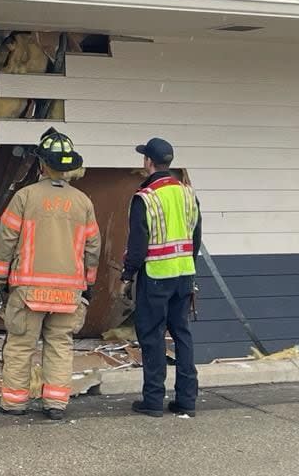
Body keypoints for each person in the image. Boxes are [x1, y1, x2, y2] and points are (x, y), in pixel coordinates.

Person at [0, 128, 101, 420]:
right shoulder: (83, 202)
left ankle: (14, 403)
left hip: (28, 290)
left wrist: (1, 280)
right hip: (69, 292)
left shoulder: (25, 197)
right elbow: (93, 247)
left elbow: (6, 241)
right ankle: (55, 405)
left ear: (41, 163)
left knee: (20, 345)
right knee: (60, 346)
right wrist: (88, 283)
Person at [120, 138, 202, 418]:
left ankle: (153, 400)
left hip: (156, 275)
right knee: (182, 334)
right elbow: (196, 237)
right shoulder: (188, 194)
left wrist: (127, 275)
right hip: (184, 274)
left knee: (152, 336)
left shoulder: (146, 197)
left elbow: (138, 244)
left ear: (148, 162)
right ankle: (187, 400)